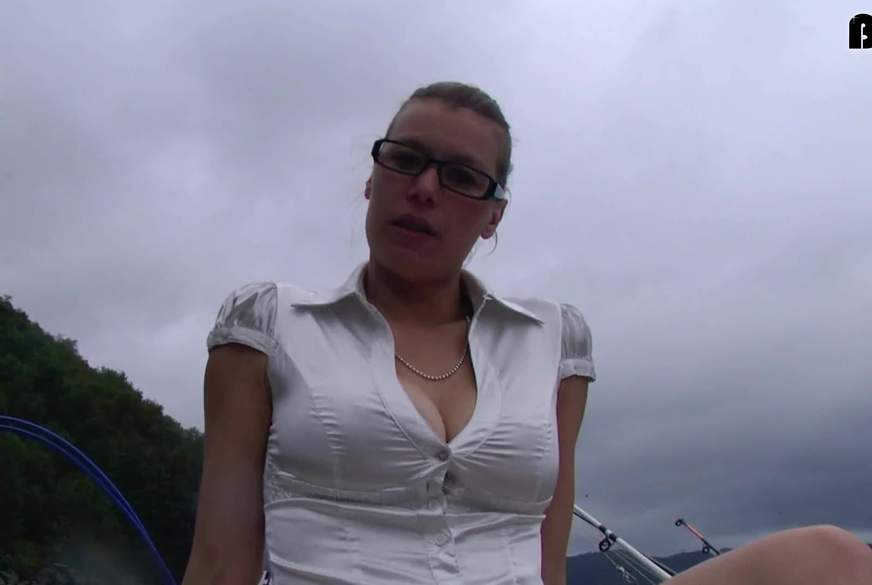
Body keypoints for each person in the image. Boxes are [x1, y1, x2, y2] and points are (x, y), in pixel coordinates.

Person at [181, 82, 872, 585]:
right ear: (372, 178)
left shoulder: (553, 340)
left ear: (493, 216)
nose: (424, 189)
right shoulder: (269, 324)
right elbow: (219, 563)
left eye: (461, 177)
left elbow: (547, 562)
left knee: (832, 559)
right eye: (405, 160)